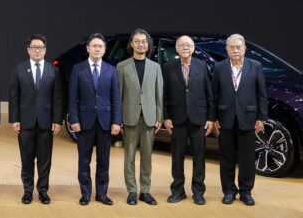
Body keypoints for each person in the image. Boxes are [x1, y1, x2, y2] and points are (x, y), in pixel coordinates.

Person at [212, 33, 267, 206]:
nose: (235, 50)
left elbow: (261, 94)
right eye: (232, 47)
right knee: (226, 158)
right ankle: (229, 191)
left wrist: (262, 117)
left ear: (244, 49)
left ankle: (246, 192)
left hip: (248, 119)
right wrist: (213, 118)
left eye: (238, 47)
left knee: (247, 159)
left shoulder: (255, 66)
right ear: (226, 49)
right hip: (225, 119)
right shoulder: (219, 67)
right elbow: (214, 95)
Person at [8, 33, 64, 205]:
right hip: (25, 122)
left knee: (45, 160)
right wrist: (14, 119)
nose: (37, 50)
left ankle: (43, 191)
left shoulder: (53, 70)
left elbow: (57, 97)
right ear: (28, 50)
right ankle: (27, 191)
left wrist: (57, 120)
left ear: (45, 50)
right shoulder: (19, 69)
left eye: (40, 48)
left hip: (46, 123)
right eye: (34, 47)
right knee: (26, 159)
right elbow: (14, 96)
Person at [68, 33, 121, 205]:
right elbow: (72, 97)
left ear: (104, 50)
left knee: (103, 161)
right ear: (87, 48)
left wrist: (116, 121)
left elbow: (115, 97)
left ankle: (102, 194)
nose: (97, 49)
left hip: (106, 122)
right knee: (84, 160)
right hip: (84, 122)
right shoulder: (78, 69)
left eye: (101, 46)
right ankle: (85, 194)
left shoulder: (111, 70)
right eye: (94, 46)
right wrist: (74, 120)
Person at [162, 35, 213, 205]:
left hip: (199, 118)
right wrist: (166, 117)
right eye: (182, 45)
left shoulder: (202, 65)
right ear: (177, 49)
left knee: (199, 157)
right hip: (177, 118)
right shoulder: (168, 67)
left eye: (188, 45)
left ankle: (198, 192)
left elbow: (209, 93)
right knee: (177, 157)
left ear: (193, 48)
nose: (185, 47)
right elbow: (164, 94)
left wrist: (211, 118)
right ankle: (178, 190)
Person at [117, 28, 163, 206]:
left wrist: (159, 117)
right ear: (131, 44)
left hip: (150, 118)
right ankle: (131, 190)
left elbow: (159, 94)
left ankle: (145, 190)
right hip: (129, 117)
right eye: (137, 41)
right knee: (129, 156)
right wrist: (118, 118)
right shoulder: (122, 67)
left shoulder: (156, 67)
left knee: (147, 157)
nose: (141, 44)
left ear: (148, 44)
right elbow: (119, 95)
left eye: (144, 41)